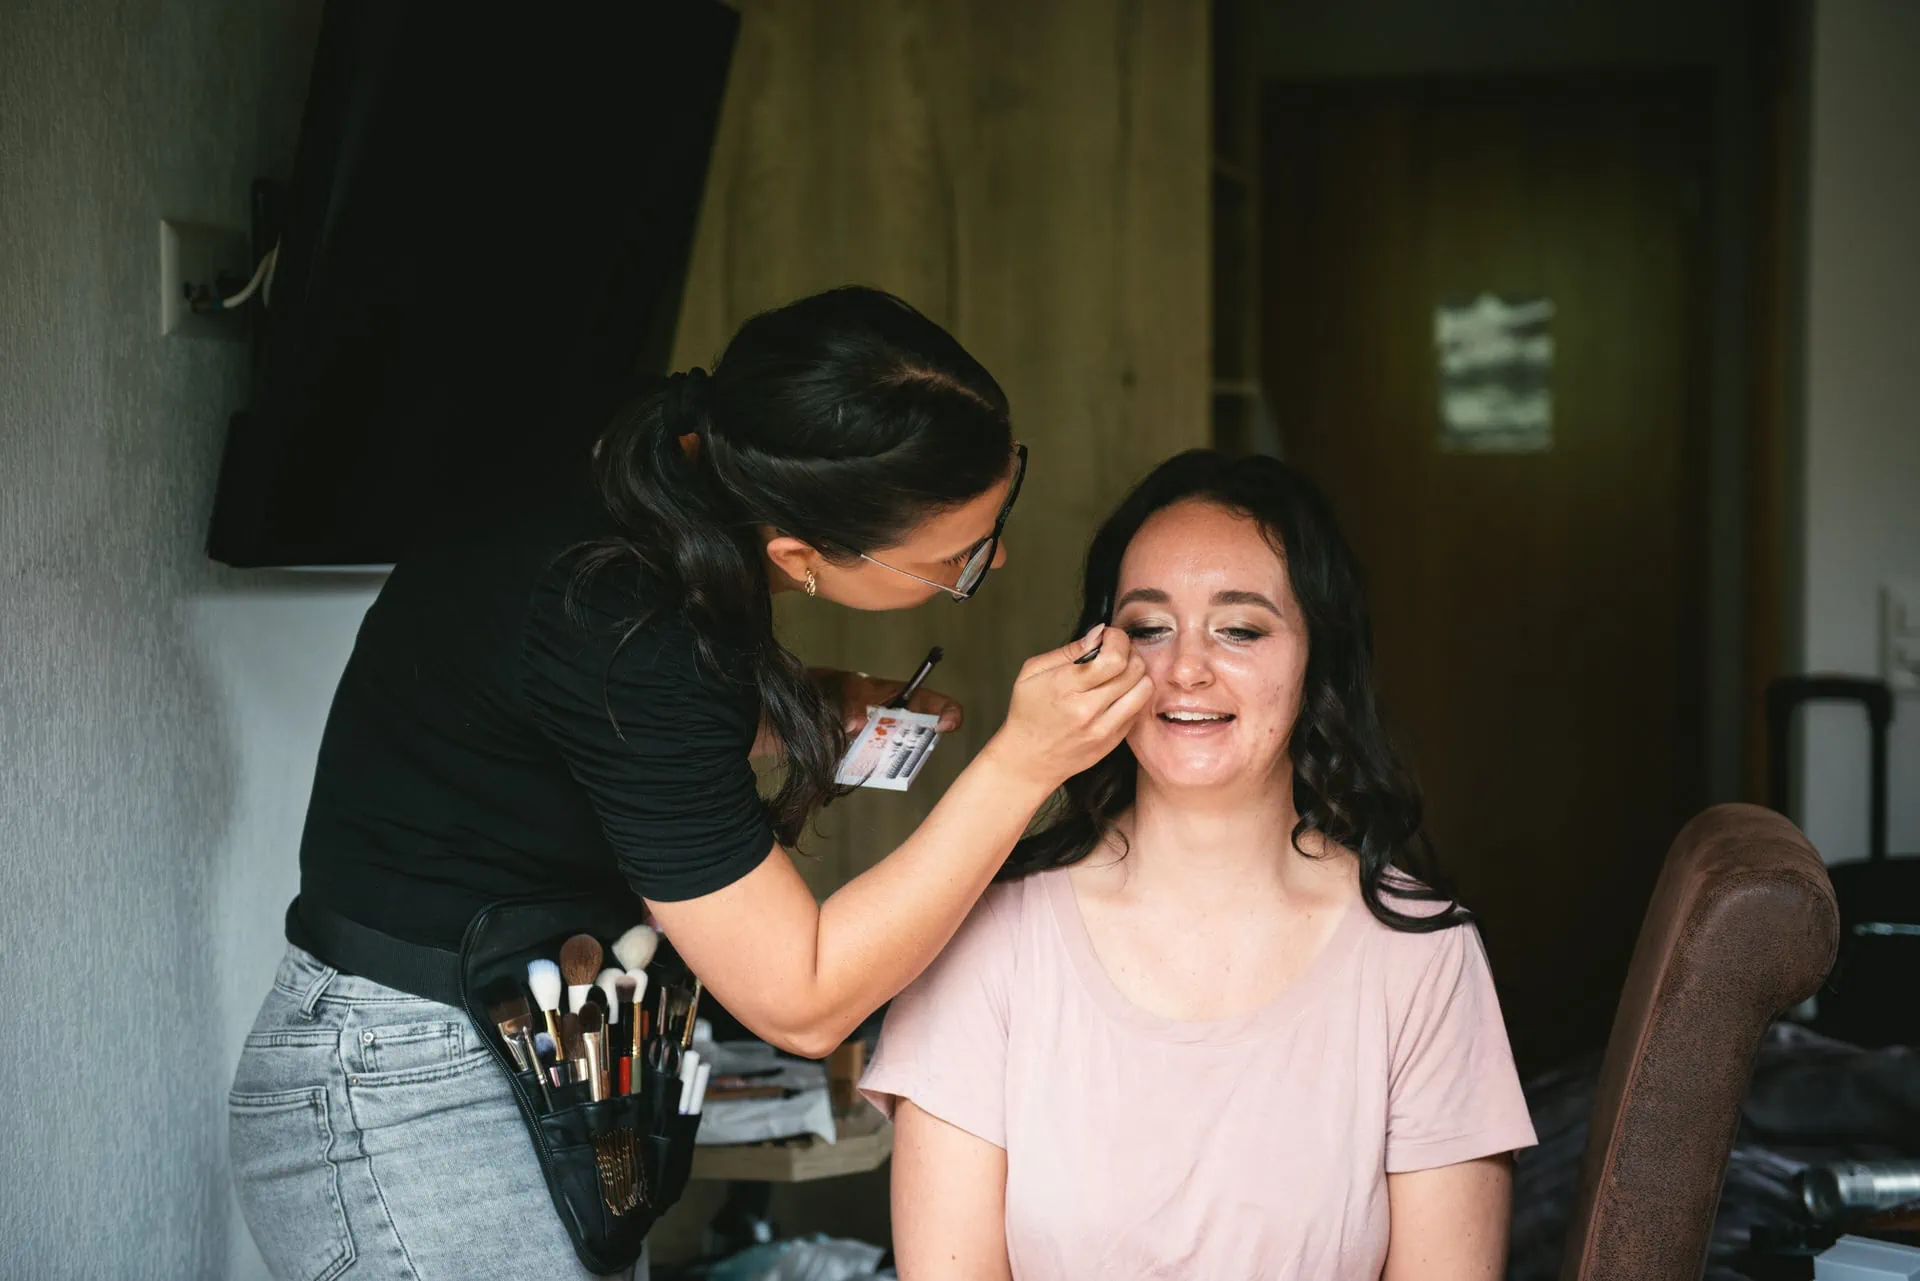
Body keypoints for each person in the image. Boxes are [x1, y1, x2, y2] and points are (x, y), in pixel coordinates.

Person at [227, 286, 1154, 1281]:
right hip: (413, 1091)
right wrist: (1023, 765)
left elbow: (578, 714)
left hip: (521, 1034)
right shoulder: (619, 609)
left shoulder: (660, 456)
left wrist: (797, 711)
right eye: (957, 559)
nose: (995, 557)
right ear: (799, 555)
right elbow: (802, 997)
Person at [862, 450, 1538, 1280]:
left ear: (1318, 656)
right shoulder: (987, 937)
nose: (1185, 668)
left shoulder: (1421, 955)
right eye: (1149, 628)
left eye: (1240, 629)